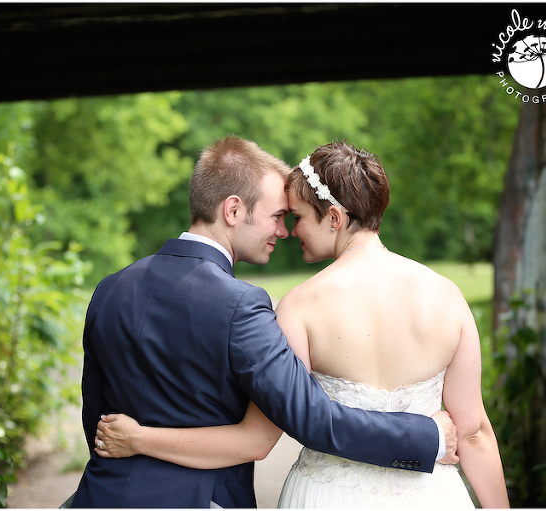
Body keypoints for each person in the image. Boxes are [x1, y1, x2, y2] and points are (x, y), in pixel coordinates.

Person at [94, 140, 509, 508]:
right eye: (281, 216)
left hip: (321, 495)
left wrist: (135, 440)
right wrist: (431, 440)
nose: (287, 231)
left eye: (294, 217)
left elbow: (98, 414)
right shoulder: (448, 297)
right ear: (233, 209)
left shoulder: (298, 306)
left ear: (334, 217)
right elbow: (472, 434)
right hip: (430, 494)